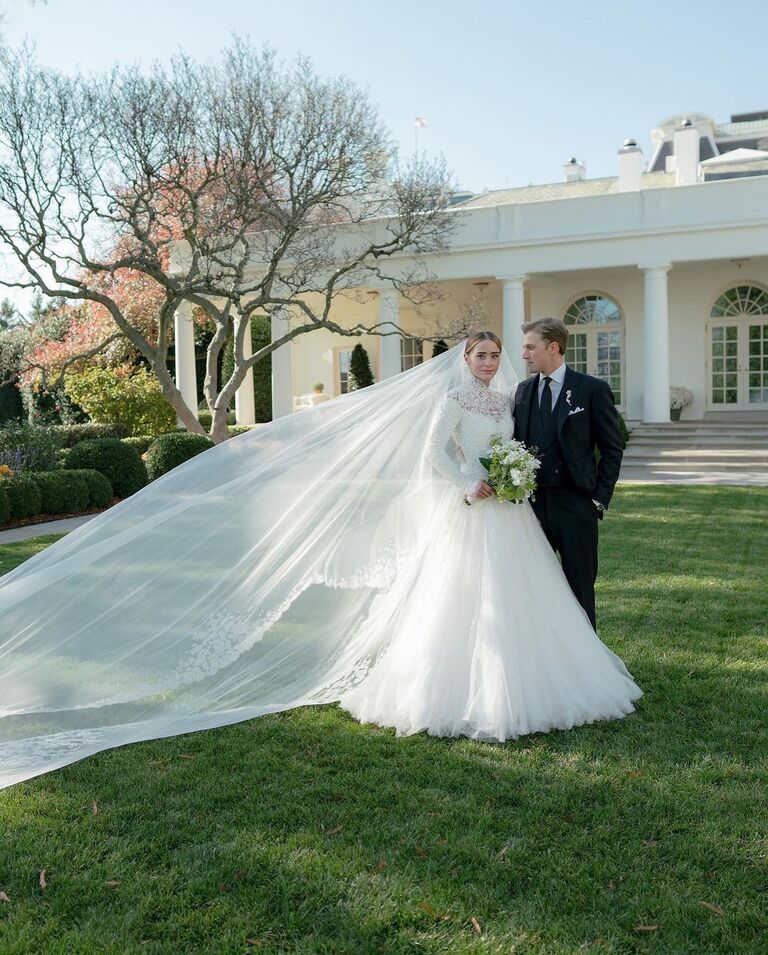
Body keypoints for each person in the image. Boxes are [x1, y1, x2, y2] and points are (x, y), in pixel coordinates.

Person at [0, 333, 640, 790]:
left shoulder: (510, 401)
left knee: (527, 594)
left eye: (498, 354)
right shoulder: (452, 402)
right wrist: (467, 483)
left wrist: (511, 475)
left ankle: (539, 672)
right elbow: (435, 456)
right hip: (469, 507)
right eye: (482, 354)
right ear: (463, 360)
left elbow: (522, 445)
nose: (491, 362)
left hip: (508, 512)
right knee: (455, 597)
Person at [514, 319, 624, 629]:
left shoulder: (591, 390)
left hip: (577, 506)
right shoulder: (521, 393)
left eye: (530, 347)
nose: (524, 354)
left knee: (580, 589)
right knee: (536, 588)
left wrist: (599, 499)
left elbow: (612, 448)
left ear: (553, 347)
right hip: (532, 510)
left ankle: (587, 663)